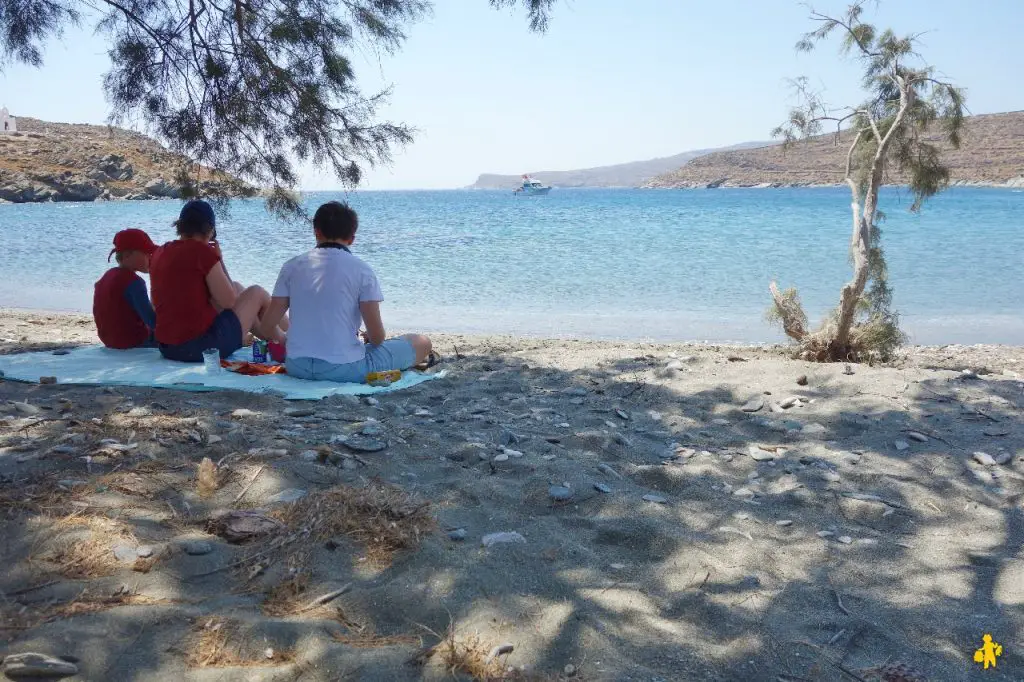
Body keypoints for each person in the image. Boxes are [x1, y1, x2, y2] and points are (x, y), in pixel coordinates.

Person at [261, 201, 432, 383]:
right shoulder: (362, 270)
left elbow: (267, 326)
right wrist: (367, 337)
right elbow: (377, 338)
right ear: (352, 238)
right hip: (344, 370)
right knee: (421, 342)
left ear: (316, 231)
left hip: (297, 367)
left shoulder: (291, 266)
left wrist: (285, 340)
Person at [150, 199, 283, 362]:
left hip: (168, 347)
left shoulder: (159, 252)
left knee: (237, 287)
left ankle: (275, 337)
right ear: (210, 230)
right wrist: (218, 259)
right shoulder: (201, 252)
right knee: (257, 293)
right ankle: (288, 340)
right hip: (200, 348)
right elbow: (229, 301)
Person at [93, 228, 158, 349]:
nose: (151, 257)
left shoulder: (107, 276)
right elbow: (153, 322)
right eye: (146, 253)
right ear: (128, 255)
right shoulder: (135, 283)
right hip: (133, 342)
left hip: (110, 340)